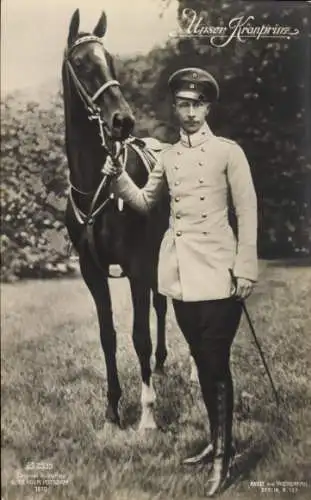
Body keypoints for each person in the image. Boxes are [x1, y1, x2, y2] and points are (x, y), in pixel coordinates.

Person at [103, 67, 258, 496]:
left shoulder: (230, 152)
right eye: (183, 105)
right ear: (175, 107)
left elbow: (247, 212)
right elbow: (143, 202)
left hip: (221, 272)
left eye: (197, 104)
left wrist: (246, 267)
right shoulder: (168, 157)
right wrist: (116, 174)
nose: (189, 112)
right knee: (203, 360)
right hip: (181, 276)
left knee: (215, 362)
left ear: (208, 107)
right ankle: (216, 442)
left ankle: (224, 459)